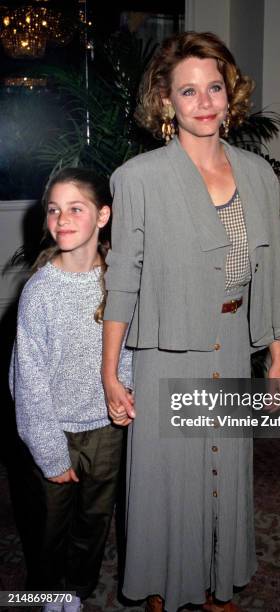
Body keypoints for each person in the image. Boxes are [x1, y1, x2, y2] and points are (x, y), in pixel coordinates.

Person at [102, 31, 280, 612]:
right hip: (167, 350)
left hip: (233, 344)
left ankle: (214, 584)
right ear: (167, 102)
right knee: (166, 481)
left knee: (224, 472)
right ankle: (164, 587)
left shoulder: (258, 174)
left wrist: (278, 357)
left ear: (229, 93)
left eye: (214, 87)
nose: (205, 101)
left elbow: (272, 270)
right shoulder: (138, 178)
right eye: (189, 91)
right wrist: (112, 372)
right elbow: (124, 278)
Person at [9, 168, 132, 612]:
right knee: (49, 526)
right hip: (54, 429)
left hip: (105, 429)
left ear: (102, 215)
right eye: (54, 210)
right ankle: (48, 592)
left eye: (75, 209)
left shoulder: (119, 280)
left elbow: (128, 346)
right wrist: (49, 450)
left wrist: (126, 394)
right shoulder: (39, 291)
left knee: (95, 520)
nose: (61, 219)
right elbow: (29, 381)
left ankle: (77, 591)